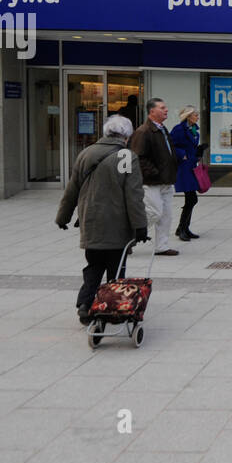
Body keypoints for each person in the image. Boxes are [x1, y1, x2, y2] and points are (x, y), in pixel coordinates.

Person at [56, 114, 148, 324]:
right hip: (117, 223)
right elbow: (133, 195)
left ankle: (85, 304)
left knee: (94, 264)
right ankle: (111, 308)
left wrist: (63, 216)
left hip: (90, 220)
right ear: (126, 135)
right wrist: (140, 226)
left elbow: (72, 189)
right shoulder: (125, 156)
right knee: (116, 269)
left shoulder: (86, 153)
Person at [129, 97, 179, 256]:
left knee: (166, 215)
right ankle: (128, 238)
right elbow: (138, 157)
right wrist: (155, 173)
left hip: (166, 180)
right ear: (152, 111)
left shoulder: (162, 128)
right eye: (162, 108)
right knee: (154, 212)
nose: (166, 110)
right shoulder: (143, 131)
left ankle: (161, 246)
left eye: (165, 107)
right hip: (152, 182)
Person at [169, 105, 208, 242]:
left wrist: (199, 150)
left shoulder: (193, 129)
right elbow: (171, 145)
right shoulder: (179, 129)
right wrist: (182, 155)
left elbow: (190, 146)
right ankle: (181, 229)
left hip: (191, 165)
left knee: (191, 199)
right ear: (188, 116)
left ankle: (183, 228)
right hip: (184, 167)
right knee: (192, 199)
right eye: (195, 114)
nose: (197, 116)